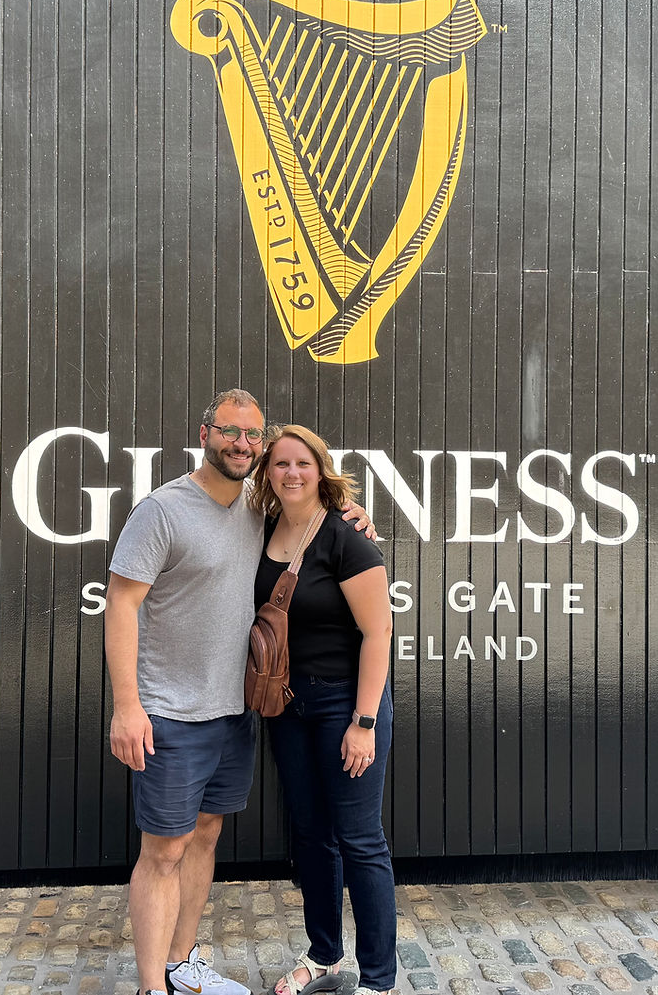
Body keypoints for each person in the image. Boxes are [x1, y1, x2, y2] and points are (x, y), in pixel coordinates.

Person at [104, 391, 373, 995]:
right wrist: (128, 706)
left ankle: (182, 965)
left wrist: (353, 515)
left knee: (204, 837)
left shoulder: (259, 513)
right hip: (170, 713)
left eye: (253, 436)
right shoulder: (163, 511)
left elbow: (315, 524)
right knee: (163, 850)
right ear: (204, 433)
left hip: (234, 714)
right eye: (230, 432)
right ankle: (152, 987)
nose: (242, 445)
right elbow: (121, 605)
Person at [248, 425, 397, 995]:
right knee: (310, 834)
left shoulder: (346, 538)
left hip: (345, 703)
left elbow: (379, 631)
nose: (290, 473)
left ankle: (379, 979)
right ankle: (326, 954)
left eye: (301, 463)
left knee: (359, 837)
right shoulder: (261, 529)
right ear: (267, 473)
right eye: (280, 463)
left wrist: (364, 723)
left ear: (321, 469)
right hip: (288, 703)